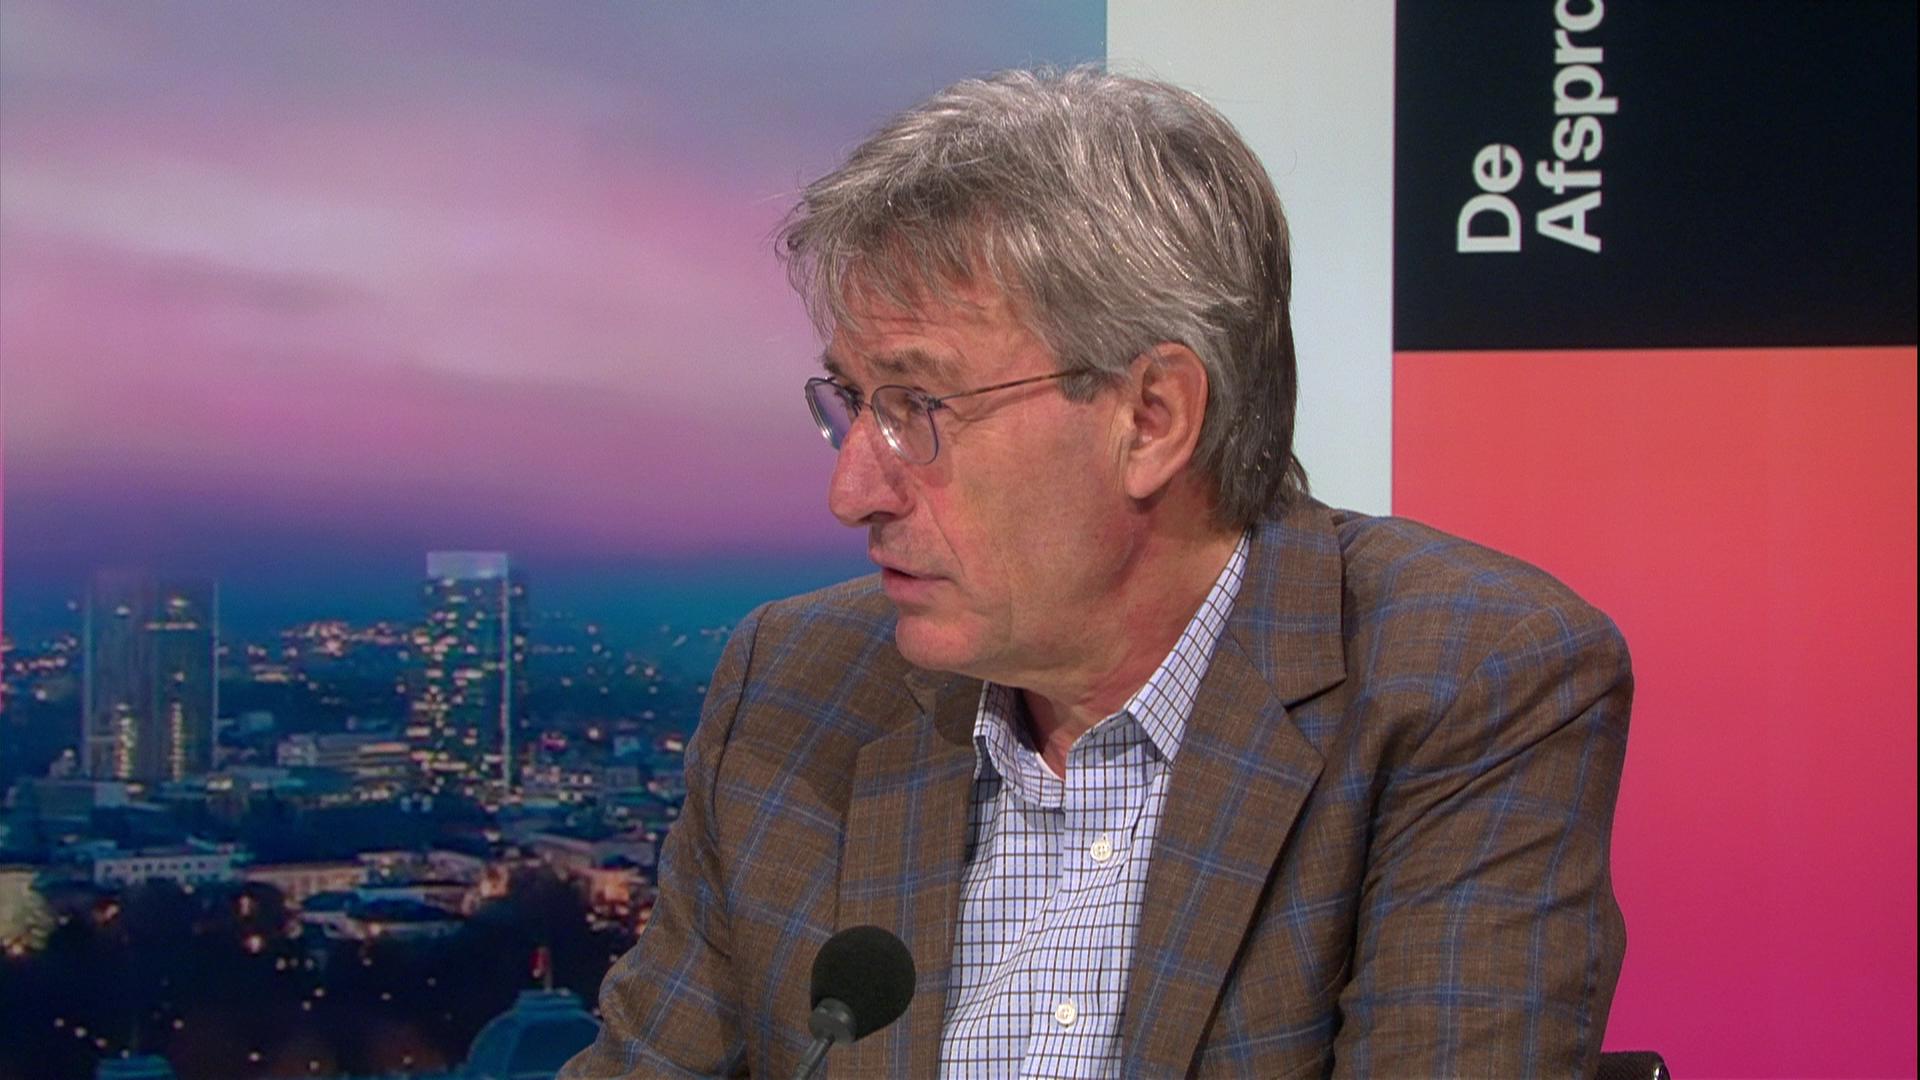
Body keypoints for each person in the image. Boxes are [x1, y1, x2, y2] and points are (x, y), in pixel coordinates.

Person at [564, 67, 1630, 1078]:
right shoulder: (795, 684)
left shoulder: (1459, 680)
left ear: (1151, 419)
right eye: (853, 402)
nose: (854, 492)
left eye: (918, 406)